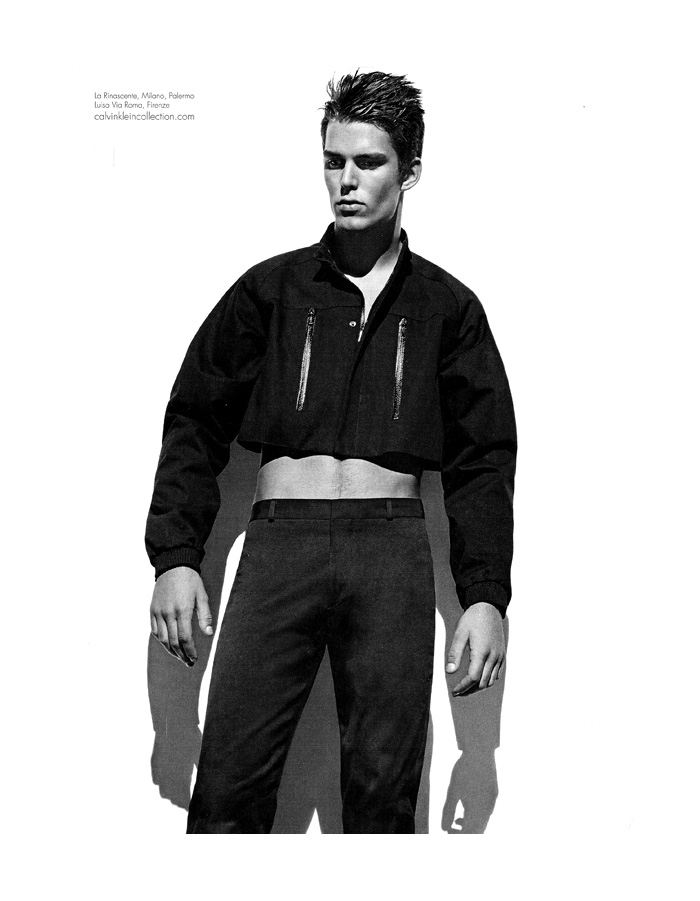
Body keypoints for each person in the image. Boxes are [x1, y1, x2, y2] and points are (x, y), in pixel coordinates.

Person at [145, 70, 517, 834]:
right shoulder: (270, 290)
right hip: (280, 546)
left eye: (369, 162)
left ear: (410, 170)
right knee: (228, 792)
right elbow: (194, 418)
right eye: (334, 160)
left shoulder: (447, 307)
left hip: (392, 555)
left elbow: (483, 459)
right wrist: (176, 556)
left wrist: (485, 595)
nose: (346, 180)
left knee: (384, 799)